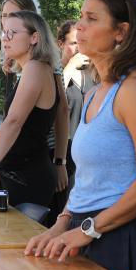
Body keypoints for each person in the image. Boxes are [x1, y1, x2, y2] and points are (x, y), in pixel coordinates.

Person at [25, 0, 136, 270]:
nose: (80, 26)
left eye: (92, 19)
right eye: (80, 17)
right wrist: (62, 222)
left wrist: (89, 229)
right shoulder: (95, 92)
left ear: (121, 31)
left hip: (120, 238)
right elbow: (89, 178)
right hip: (88, 233)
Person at [0, 10, 68, 213]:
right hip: (19, 175)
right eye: (4, 32)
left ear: (34, 37)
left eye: (12, 33)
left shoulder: (36, 68)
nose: (5, 38)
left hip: (29, 178)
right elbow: (22, 130)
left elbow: (14, 122)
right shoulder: (35, 69)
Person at [53, 20, 91, 213]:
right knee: (62, 206)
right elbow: (54, 97)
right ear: (61, 43)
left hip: (87, 148)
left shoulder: (91, 72)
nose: (78, 48)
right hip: (64, 148)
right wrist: (69, 67)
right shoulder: (55, 70)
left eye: (81, 42)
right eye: (73, 43)